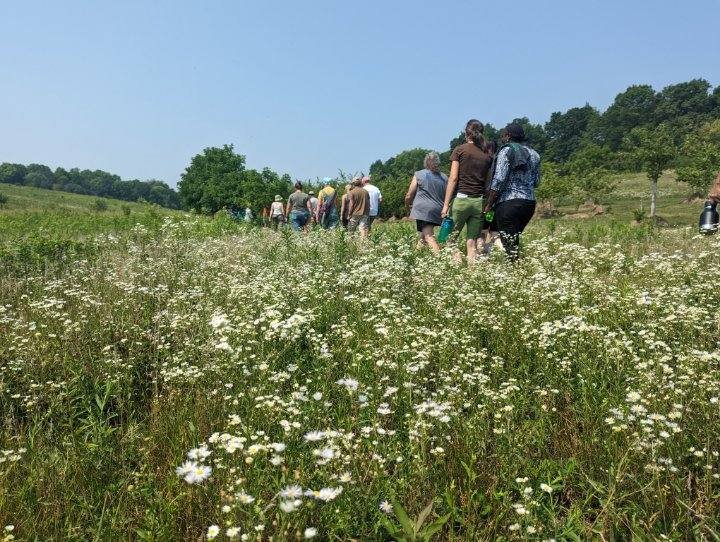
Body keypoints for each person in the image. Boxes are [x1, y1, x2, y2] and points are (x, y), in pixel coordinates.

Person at [483, 122, 541, 261]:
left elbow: (498, 180)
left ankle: (516, 271)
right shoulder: (534, 154)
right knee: (512, 239)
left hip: (509, 203)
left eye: (503, 134)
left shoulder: (506, 151)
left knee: (509, 244)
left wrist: (489, 204)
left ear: (508, 136)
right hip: (529, 203)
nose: (502, 137)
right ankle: (515, 267)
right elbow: (536, 181)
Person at [441, 119, 493, 264]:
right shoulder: (487, 156)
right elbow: (488, 183)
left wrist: (445, 204)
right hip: (479, 202)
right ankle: (471, 273)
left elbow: (453, 178)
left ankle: (457, 262)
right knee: (471, 242)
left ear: (467, 133)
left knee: (449, 238)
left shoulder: (459, 150)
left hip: (461, 200)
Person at [405, 151, 447, 253]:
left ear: (426, 162)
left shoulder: (419, 174)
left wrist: (407, 206)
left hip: (423, 210)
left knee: (428, 236)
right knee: (423, 235)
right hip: (438, 209)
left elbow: (409, 194)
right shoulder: (444, 177)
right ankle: (415, 256)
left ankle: (441, 260)